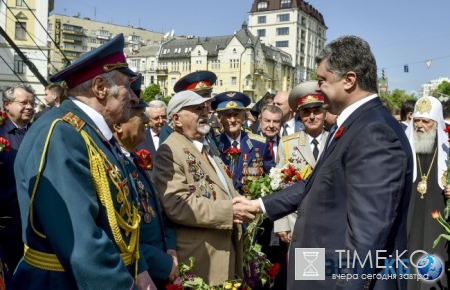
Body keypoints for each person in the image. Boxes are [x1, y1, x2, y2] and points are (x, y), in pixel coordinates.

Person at [234, 35, 413, 290]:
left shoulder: (374, 132)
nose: (317, 89)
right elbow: (318, 182)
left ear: (349, 80)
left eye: (322, 81)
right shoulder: (354, 125)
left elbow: (367, 234)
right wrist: (260, 204)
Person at [13, 34, 154, 289]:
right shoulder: (62, 133)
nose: (134, 98)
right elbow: (81, 242)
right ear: (100, 88)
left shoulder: (91, 132)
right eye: (127, 87)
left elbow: (121, 219)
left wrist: (139, 269)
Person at [153, 90, 254, 286]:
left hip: (224, 253)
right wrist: (230, 211)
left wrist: (248, 204)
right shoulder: (170, 150)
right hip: (200, 260)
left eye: (205, 108)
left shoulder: (206, 145)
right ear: (177, 119)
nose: (205, 113)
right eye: (197, 108)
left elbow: (223, 189)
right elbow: (177, 204)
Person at [112, 75, 178, 289]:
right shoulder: (114, 165)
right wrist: (160, 262)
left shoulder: (134, 159)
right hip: (141, 271)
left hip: (160, 264)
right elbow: (120, 233)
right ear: (118, 126)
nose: (148, 121)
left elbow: (158, 210)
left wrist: (171, 248)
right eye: (140, 114)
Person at [274, 80, 329, 244]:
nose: (312, 116)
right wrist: (281, 223)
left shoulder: (336, 141)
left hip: (330, 222)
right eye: (306, 112)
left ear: (324, 112)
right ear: (300, 115)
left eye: (316, 111)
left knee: (330, 268)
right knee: (307, 268)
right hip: (297, 222)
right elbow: (278, 185)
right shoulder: (287, 143)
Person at [405, 96, 450, 290]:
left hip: (437, 219)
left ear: (436, 123)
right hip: (409, 217)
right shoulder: (405, 146)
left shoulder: (447, 149)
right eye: (417, 121)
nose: (420, 126)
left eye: (426, 122)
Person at [0, 83, 35, 278]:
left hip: (35, 221)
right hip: (8, 222)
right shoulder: (1, 132)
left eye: (32, 103)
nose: (29, 107)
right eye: (23, 103)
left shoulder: (38, 131)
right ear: (7, 104)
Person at [214, 91, 275, 195]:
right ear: (219, 119)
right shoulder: (213, 145)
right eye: (227, 116)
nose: (232, 120)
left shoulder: (259, 144)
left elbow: (271, 176)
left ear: (243, 117)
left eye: (236, 115)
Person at [159, 70, 217, 145]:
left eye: (207, 100)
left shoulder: (208, 127)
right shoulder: (170, 130)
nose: (205, 105)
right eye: (198, 102)